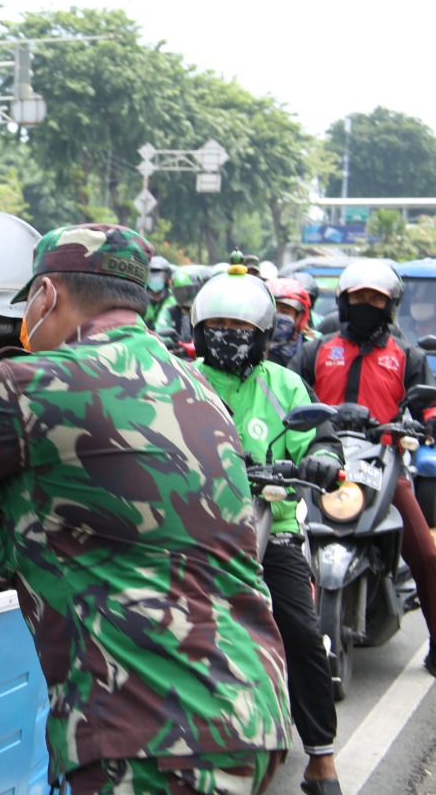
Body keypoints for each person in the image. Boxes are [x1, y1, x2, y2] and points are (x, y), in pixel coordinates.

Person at [0, 224, 291, 795]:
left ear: (46, 296)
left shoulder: (37, 385)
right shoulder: (196, 391)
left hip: (148, 727)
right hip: (251, 708)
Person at [191, 269, 344, 795]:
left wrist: (323, 460)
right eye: (218, 324)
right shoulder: (178, 378)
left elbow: (321, 440)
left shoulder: (284, 386)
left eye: (239, 324)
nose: (228, 334)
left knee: (301, 632)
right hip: (193, 530)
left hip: (271, 528)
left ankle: (321, 757)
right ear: (198, 328)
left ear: (261, 331)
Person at [286, 259, 436, 676]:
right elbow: (285, 393)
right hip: (319, 463)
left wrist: (430, 420)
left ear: (389, 306)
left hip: (384, 464)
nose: (367, 303)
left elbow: (428, 403)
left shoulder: (407, 355)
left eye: (376, 298)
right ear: (345, 302)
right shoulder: (317, 350)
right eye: (359, 297)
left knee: (427, 554)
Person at [156, 263, 210, 355]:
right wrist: (173, 343)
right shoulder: (169, 311)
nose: (185, 296)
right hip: (177, 356)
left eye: (189, 291)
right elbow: (160, 329)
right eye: (180, 293)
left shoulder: (205, 312)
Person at [265, 277, 318, 367]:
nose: (277, 315)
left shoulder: (310, 354)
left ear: (299, 318)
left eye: (285, 311)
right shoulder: (249, 352)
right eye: (271, 310)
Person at [143, 254, 175, 328]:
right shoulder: (140, 301)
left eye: (160, 276)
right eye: (152, 276)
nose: (156, 279)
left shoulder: (173, 302)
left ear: (167, 278)